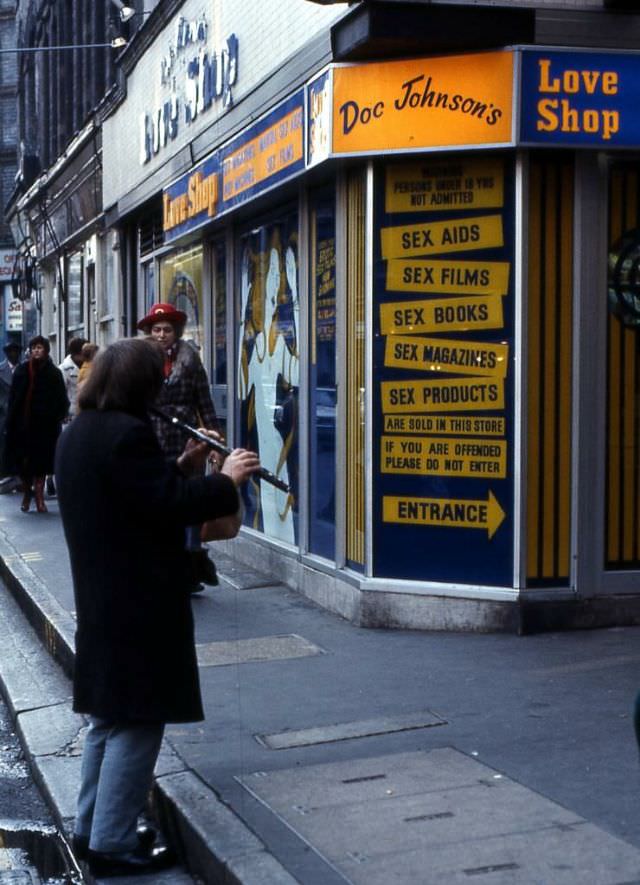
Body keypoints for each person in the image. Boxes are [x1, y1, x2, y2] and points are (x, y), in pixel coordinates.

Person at [55, 337, 259, 878]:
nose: (162, 385)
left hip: (105, 596)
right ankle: (113, 842)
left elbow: (138, 497)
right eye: (156, 378)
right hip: (139, 600)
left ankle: (92, 825)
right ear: (138, 384)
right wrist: (225, 480)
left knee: (109, 717)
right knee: (139, 720)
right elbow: (167, 508)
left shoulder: (80, 432)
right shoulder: (126, 436)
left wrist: (187, 464)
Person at [137, 302, 220, 591]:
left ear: (177, 332)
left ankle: (191, 563)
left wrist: (213, 442)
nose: (161, 335)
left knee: (189, 501)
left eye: (167, 330)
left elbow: (204, 401)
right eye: (157, 329)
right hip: (151, 438)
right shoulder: (139, 361)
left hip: (186, 438)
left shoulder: (191, 360)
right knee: (159, 503)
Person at [5, 335, 68, 513]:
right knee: (24, 464)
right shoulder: (22, 371)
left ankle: (39, 497)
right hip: (23, 427)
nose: (36, 351)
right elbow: (14, 399)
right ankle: (27, 493)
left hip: (44, 427)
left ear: (46, 350)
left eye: (39, 348)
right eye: (33, 348)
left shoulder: (53, 373)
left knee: (41, 464)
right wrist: (10, 422)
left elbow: (61, 398)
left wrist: (58, 415)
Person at [0, 342, 23, 493]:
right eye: (10, 352)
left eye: (16, 352)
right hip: (3, 414)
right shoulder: (1, 370)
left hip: (21, 414)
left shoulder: (25, 369)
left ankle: (20, 478)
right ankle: (5, 474)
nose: (13, 354)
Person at [58, 336, 88, 421]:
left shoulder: (89, 366)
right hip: (71, 415)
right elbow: (61, 393)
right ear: (76, 353)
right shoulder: (63, 369)